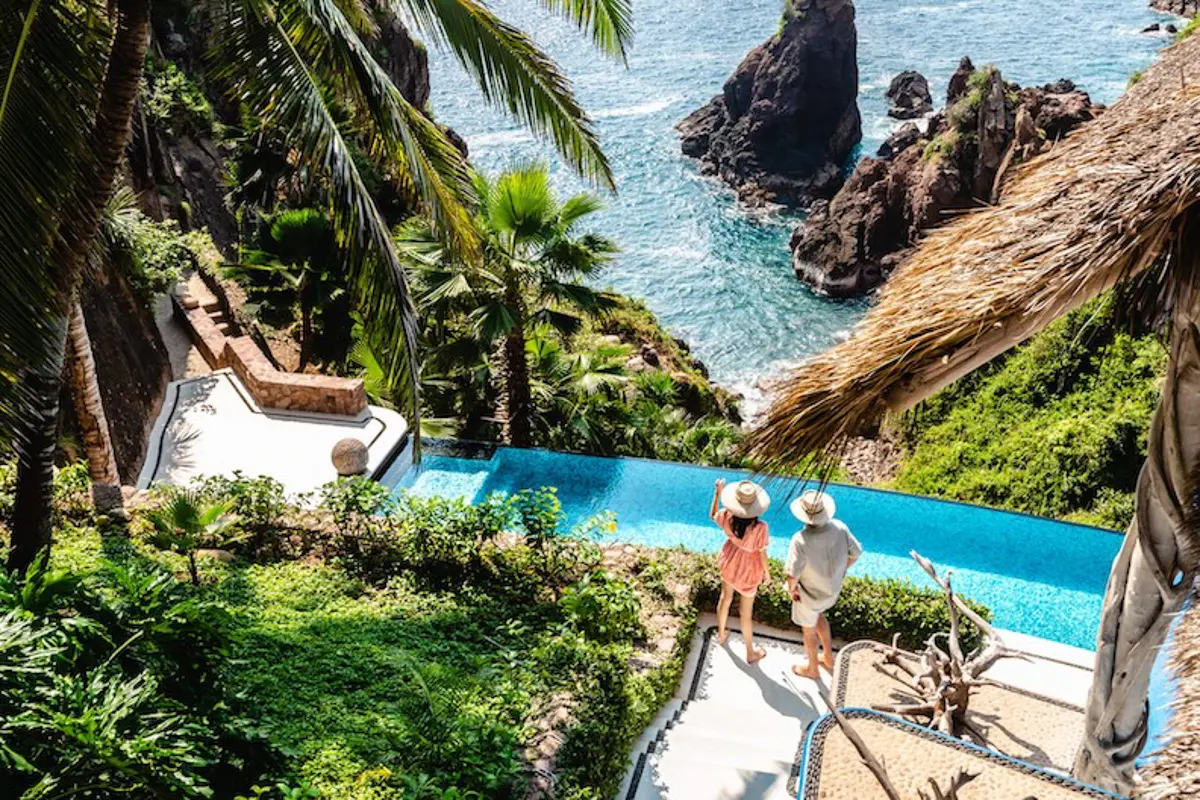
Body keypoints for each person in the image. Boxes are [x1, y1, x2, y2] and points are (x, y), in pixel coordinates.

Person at [785, 489, 862, 679]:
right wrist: (842, 570)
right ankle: (828, 657)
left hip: (809, 596)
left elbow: (792, 574)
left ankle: (812, 669)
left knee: (809, 632)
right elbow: (857, 552)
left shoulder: (800, 540)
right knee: (820, 617)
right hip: (831, 592)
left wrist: (791, 590)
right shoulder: (840, 527)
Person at [710, 478, 772, 664]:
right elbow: (762, 553)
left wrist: (717, 493)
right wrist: (766, 574)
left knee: (725, 598)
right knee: (746, 614)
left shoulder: (727, 516)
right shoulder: (760, 528)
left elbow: (713, 514)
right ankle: (750, 652)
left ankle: (721, 635)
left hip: (729, 560)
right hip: (748, 569)